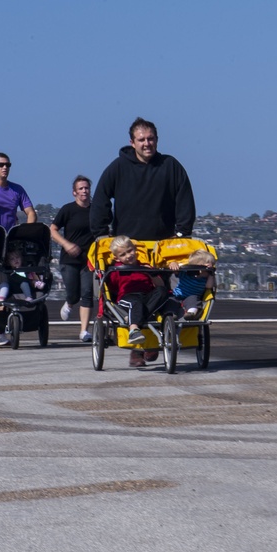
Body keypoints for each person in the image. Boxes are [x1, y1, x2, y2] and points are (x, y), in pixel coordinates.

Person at [91, 118, 196, 366]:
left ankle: (155, 340)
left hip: (162, 245)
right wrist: (101, 233)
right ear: (132, 142)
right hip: (128, 246)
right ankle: (137, 348)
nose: (147, 143)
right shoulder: (117, 168)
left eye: (151, 139)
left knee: (159, 293)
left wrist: (182, 233)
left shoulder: (171, 166)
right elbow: (101, 199)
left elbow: (185, 199)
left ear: (157, 140)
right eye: (142, 140)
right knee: (133, 294)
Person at [106, 236, 170, 366]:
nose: (128, 256)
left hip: (147, 297)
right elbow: (111, 289)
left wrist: (152, 274)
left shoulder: (145, 266)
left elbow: (159, 285)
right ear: (117, 258)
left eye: (130, 251)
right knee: (136, 303)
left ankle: (137, 319)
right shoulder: (116, 270)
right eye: (123, 254)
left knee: (163, 291)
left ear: (135, 250)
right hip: (127, 297)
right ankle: (134, 329)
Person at [51, 175, 95, 343]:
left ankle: (84, 331)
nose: (84, 191)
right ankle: (69, 303)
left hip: (89, 260)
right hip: (69, 259)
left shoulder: (96, 210)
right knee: (74, 293)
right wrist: (67, 244)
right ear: (74, 192)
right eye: (81, 188)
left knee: (87, 293)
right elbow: (53, 230)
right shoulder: (67, 210)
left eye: (87, 188)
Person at [169, 249, 216, 320]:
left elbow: (209, 286)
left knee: (194, 300)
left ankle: (191, 313)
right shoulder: (186, 273)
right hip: (177, 295)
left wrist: (211, 273)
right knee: (171, 301)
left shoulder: (206, 278)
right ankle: (171, 313)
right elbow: (175, 271)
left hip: (191, 297)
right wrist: (173, 264)